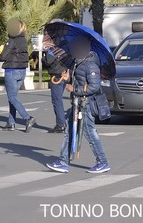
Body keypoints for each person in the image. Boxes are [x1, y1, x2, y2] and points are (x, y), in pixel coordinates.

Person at [46, 36, 110, 174]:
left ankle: (102, 162)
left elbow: (94, 86)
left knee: (91, 134)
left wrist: (73, 89)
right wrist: (68, 78)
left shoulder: (91, 65)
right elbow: (80, 80)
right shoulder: (78, 63)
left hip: (85, 105)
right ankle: (63, 161)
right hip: (77, 104)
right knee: (69, 131)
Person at [0, 18, 36, 132]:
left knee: (12, 97)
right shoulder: (23, 40)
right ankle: (11, 123)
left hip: (11, 71)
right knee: (12, 98)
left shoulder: (11, 40)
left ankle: (27, 118)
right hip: (22, 71)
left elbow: (3, 57)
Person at [42, 51, 68, 133]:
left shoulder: (53, 49)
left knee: (57, 100)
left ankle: (61, 124)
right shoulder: (67, 47)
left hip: (56, 75)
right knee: (58, 100)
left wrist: (43, 57)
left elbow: (48, 61)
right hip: (64, 73)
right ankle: (62, 123)